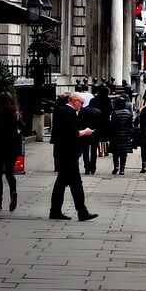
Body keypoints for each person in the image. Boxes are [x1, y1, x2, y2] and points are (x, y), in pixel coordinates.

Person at [49, 93, 98, 221]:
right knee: (75, 184)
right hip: (69, 153)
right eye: (81, 103)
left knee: (62, 183)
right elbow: (71, 133)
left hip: (63, 153)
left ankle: (57, 211)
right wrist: (85, 132)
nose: (82, 105)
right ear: (74, 101)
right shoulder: (68, 112)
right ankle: (81, 212)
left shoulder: (61, 110)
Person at [0, 93, 23, 213]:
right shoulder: (15, 113)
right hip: (12, 147)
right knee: (9, 173)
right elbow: (23, 127)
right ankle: (13, 191)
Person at [78, 93, 104, 176]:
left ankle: (86, 168)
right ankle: (93, 167)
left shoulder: (83, 110)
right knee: (93, 151)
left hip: (85, 133)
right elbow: (100, 125)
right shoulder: (99, 112)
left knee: (85, 151)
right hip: (95, 133)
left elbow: (79, 122)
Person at [108, 96, 135, 175]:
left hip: (116, 135)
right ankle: (122, 169)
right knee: (124, 152)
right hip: (126, 135)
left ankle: (116, 166)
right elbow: (130, 125)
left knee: (115, 152)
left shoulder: (115, 113)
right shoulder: (128, 113)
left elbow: (112, 125)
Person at [88, 85, 113, 163]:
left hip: (94, 121)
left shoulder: (93, 100)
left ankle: (100, 151)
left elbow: (90, 109)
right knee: (104, 137)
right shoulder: (108, 100)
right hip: (105, 120)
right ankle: (105, 150)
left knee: (96, 139)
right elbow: (110, 110)